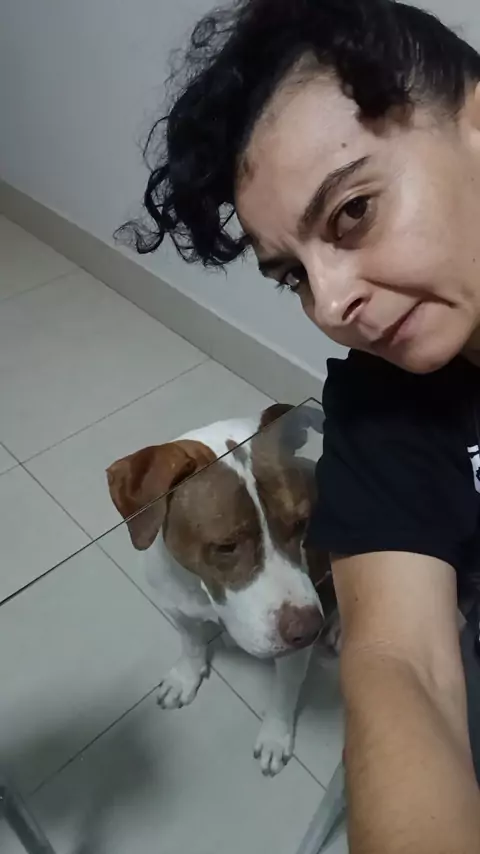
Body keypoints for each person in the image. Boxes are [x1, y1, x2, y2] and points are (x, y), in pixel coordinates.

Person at [122, 0, 480, 850]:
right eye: (292, 276)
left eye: (353, 210)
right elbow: (402, 662)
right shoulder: (377, 409)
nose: (329, 303)